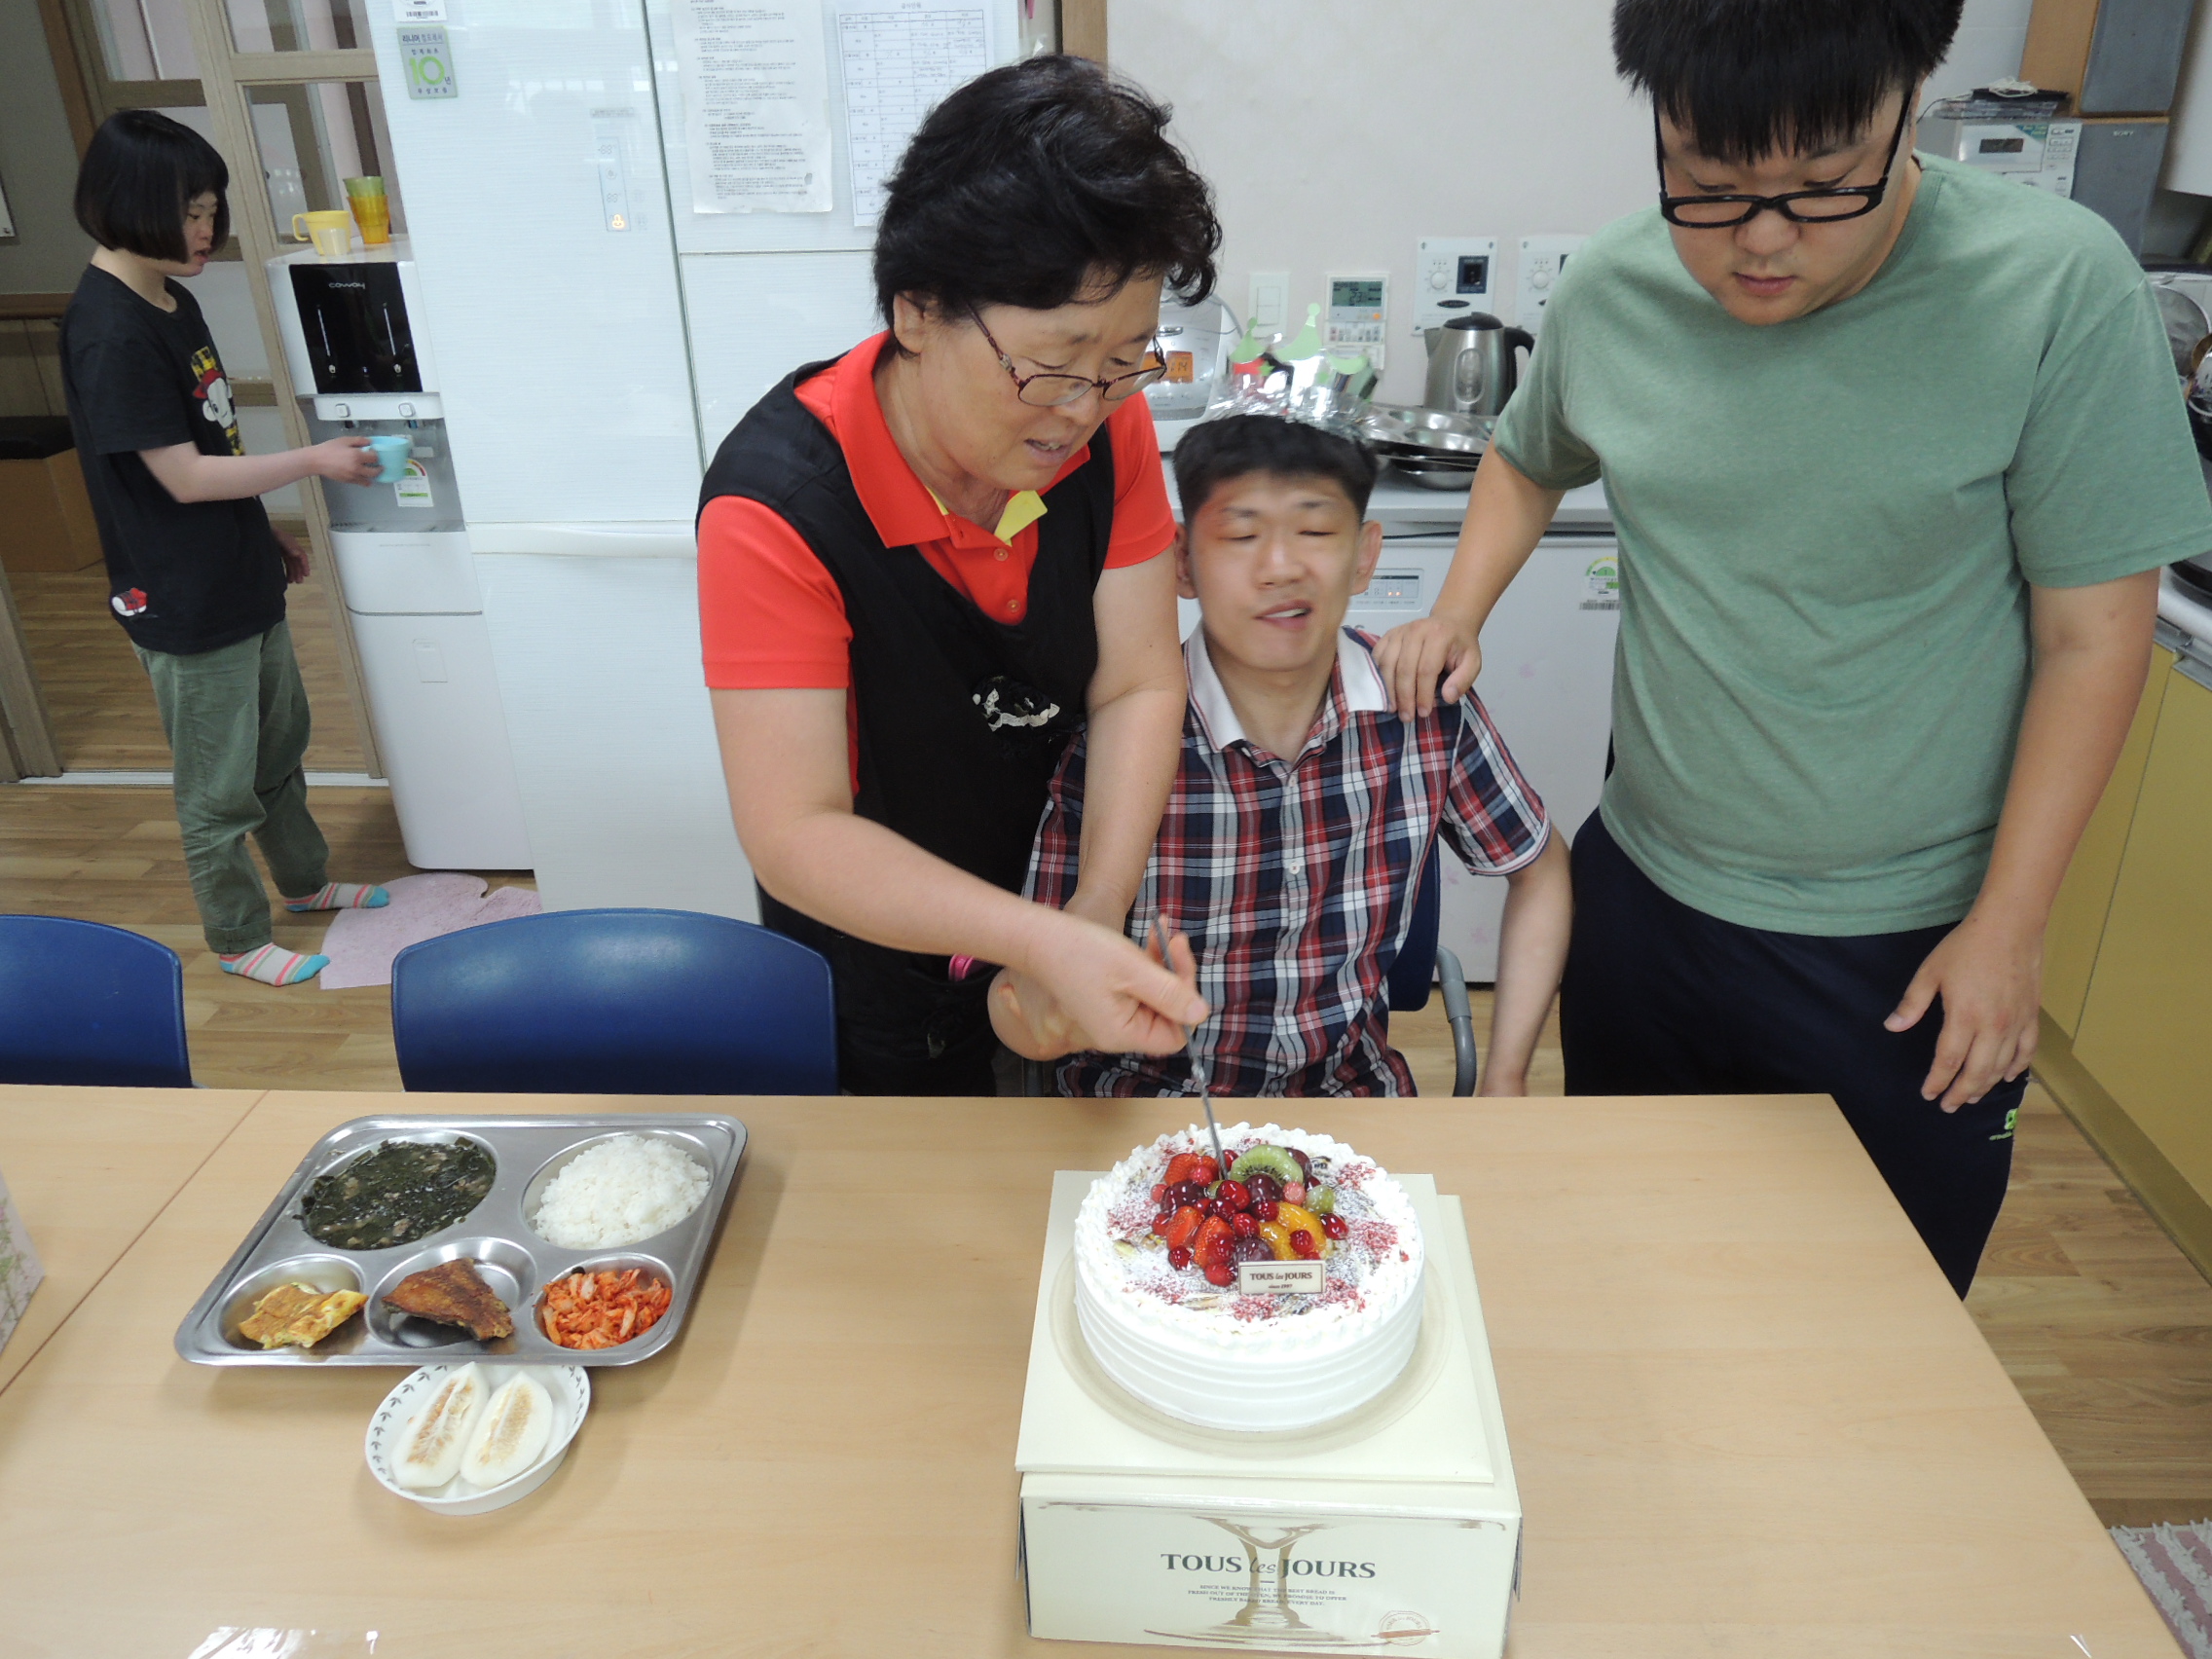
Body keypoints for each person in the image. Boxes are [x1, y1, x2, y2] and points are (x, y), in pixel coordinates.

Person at [1376, 0, 2212, 1292]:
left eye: (1823, 187)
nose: (1761, 241)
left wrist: (2011, 923)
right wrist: (1457, 610)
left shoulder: (2054, 287)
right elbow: (1528, 459)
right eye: (1708, 188)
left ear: (1909, 105)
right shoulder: (1616, 286)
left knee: (1876, 1316)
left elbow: (2091, 637)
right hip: (1644, 903)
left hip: (1906, 944)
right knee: (1633, 1281)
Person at [699, 56, 1215, 1093]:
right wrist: (1037, 938)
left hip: (1064, 886)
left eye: (1126, 360)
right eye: (1052, 363)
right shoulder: (776, 509)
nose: (1083, 408)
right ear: (918, 311)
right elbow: (795, 830)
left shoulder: (1099, 428)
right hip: (878, 947)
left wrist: (1090, 912)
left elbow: (1137, 681)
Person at [999, 415, 1570, 1096]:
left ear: (1365, 556)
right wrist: (1050, 1017)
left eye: (1316, 532)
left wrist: (1505, 1081)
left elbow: (1540, 869)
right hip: (1147, 1108)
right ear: (1182, 561)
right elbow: (1031, 990)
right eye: (1241, 536)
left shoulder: (1420, 706)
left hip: (1349, 1099)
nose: (1280, 568)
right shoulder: (1122, 736)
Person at [59, 111, 392, 987]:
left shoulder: (172, 298)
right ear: (129, 205)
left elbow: (213, 447)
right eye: (190, 212)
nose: (207, 230)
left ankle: (306, 883)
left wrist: (261, 528)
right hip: (181, 597)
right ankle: (238, 938)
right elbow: (180, 477)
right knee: (217, 783)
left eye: (211, 209)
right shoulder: (110, 331)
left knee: (280, 746)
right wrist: (314, 461)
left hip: (234, 570)